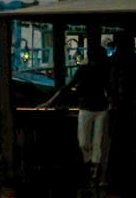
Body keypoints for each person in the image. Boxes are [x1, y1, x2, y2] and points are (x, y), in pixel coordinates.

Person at [41, 44, 109, 182]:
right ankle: (93, 168)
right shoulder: (102, 71)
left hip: (89, 108)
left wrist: (50, 102)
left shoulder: (85, 70)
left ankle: (91, 166)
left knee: (86, 142)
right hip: (99, 108)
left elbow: (68, 87)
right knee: (93, 142)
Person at [107, 30, 136, 194]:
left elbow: (109, 83)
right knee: (133, 140)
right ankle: (134, 177)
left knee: (116, 142)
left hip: (117, 107)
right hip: (132, 105)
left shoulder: (112, 61)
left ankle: (116, 179)